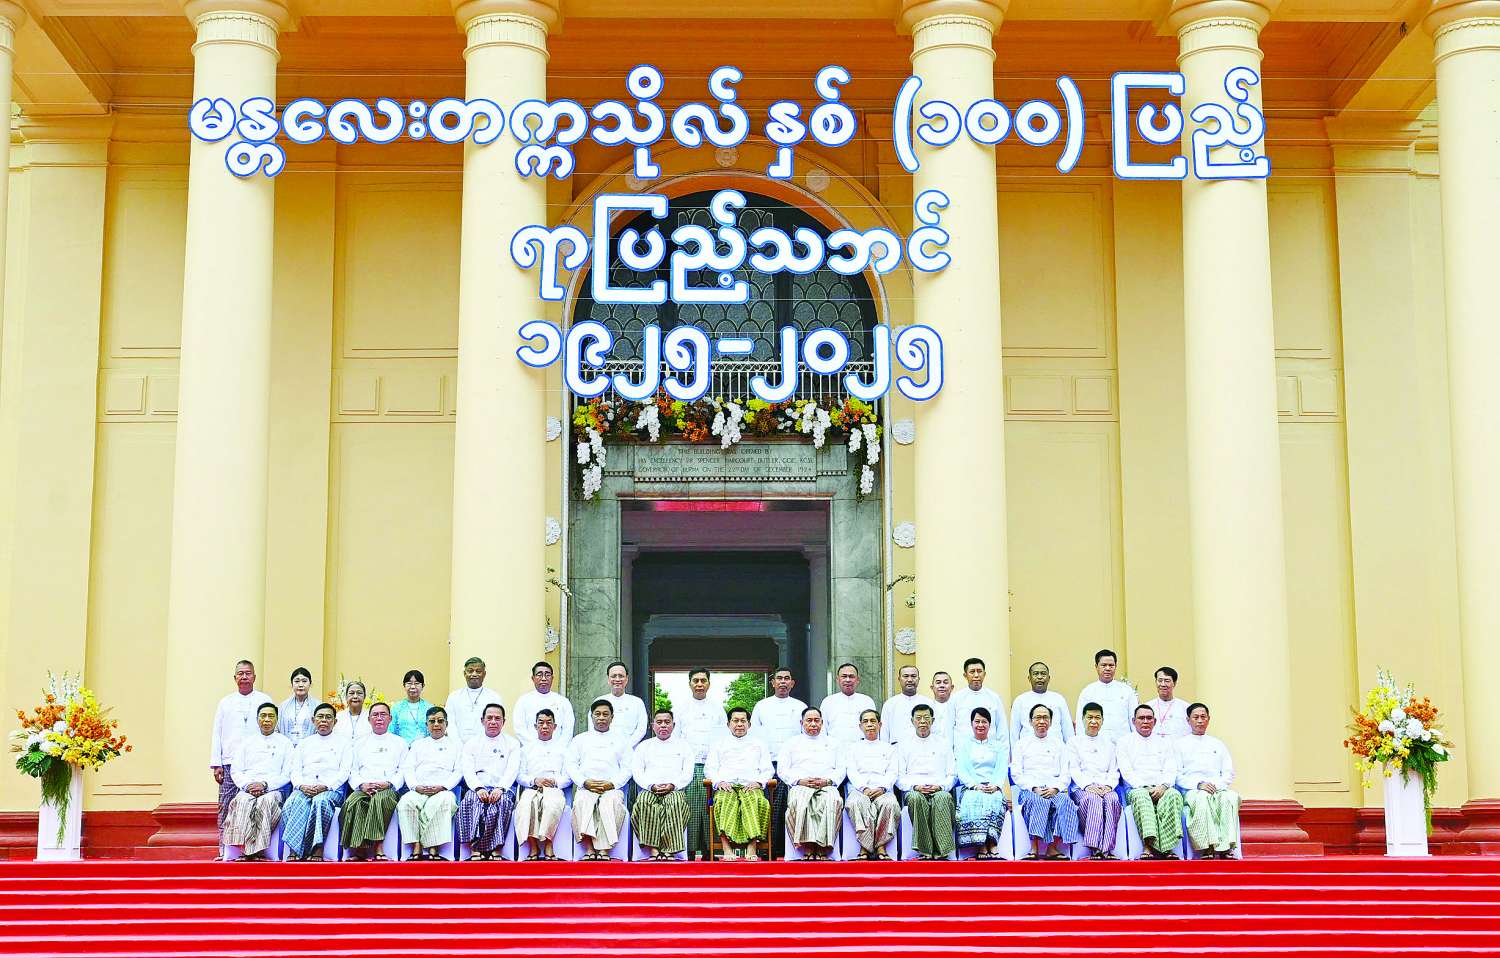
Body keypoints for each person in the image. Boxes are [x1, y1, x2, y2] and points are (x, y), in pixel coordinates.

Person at [210, 660, 273, 849]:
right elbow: (217, 733)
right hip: (229, 762)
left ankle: (250, 848)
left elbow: (271, 730)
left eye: (248, 673)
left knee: (253, 804)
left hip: (256, 763)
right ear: (235, 677)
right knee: (226, 805)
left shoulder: (264, 700)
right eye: (240, 674)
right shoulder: (225, 702)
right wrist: (217, 763)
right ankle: (224, 848)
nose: (244, 677)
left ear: (254, 676)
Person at [222, 702, 292, 861]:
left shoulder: (285, 743)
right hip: (248, 788)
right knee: (241, 801)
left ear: (277, 720)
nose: (267, 720)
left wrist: (265, 785)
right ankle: (244, 849)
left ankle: (257, 851)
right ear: (257, 719)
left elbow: (287, 773)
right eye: (263, 716)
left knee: (265, 803)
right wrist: (248, 785)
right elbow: (236, 770)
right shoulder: (246, 742)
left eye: (271, 716)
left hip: (273, 789)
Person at [750, 667, 807, 858]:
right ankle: (768, 850)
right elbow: (754, 737)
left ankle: (791, 848)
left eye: (787, 678)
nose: (783, 681)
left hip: (793, 765)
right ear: (772, 683)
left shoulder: (800, 706)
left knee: (790, 806)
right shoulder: (761, 706)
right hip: (769, 763)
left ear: (792, 683)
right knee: (769, 806)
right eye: (779, 678)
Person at [282, 703, 350, 861]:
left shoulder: (344, 743)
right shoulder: (304, 743)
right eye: (320, 717)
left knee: (321, 802)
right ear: (313, 720)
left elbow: (345, 771)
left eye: (328, 717)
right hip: (305, 787)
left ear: (335, 721)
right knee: (293, 802)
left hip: (331, 790)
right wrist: (301, 786)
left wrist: (326, 786)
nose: (324, 720)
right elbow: (295, 770)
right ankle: (295, 849)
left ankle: (317, 848)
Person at [1010, 704, 1080, 860]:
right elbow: (1016, 773)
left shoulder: (1059, 744)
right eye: (1037, 718)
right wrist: (1033, 788)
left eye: (1045, 717)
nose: (1041, 721)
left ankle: (1052, 848)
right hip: (1030, 790)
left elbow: (1066, 773)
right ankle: (1033, 847)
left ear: (1051, 721)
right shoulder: (1021, 744)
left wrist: (1056, 788)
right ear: (1030, 721)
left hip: (1053, 789)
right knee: (1040, 801)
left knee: (1066, 803)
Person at [566, 699, 633, 860]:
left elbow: (628, 767)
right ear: (591, 716)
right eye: (597, 714)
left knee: (611, 803)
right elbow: (571, 765)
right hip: (586, 786)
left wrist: (612, 783)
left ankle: (603, 849)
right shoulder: (579, 740)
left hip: (611, 788)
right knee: (582, 802)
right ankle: (589, 848)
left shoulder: (622, 740)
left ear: (612, 717)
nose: (601, 718)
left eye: (605, 714)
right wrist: (585, 782)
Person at [705, 706, 774, 861]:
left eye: (743, 721)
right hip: (727, 786)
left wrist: (758, 782)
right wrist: (719, 782)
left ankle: (752, 846)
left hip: (750, 786)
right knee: (722, 801)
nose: (739, 724)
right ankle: (726, 848)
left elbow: (768, 769)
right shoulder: (719, 744)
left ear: (749, 724)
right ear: (728, 724)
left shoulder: (759, 744)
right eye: (735, 721)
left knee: (757, 801)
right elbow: (709, 768)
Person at [341, 702, 407, 861]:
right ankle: (358, 849)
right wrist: (361, 785)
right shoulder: (358, 743)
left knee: (380, 800)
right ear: (369, 719)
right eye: (375, 715)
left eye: (383, 715)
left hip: (388, 788)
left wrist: (389, 783)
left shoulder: (400, 742)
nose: (379, 718)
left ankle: (378, 847)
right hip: (364, 787)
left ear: (390, 719)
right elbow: (352, 770)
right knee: (352, 802)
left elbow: (404, 769)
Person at [1117, 703, 1183, 859]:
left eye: (1149, 718)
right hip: (1136, 788)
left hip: (1162, 788)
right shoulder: (1124, 742)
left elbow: (1171, 768)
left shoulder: (1164, 742)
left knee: (1174, 795)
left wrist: (1164, 786)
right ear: (1133, 721)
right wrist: (1143, 787)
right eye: (1141, 718)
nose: (1145, 721)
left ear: (1154, 721)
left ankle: (1167, 848)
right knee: (1142, 797)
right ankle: (1148, 846)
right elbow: (1126, 771)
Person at [778, 707, 845, 860]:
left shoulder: (834, 743)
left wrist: (828, 781)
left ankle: (823, 846)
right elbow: (782, 769)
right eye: (809, 720)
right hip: (801, 784)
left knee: (834, 800)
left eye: (817, 720)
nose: (813, 724)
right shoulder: (791, 743)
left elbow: (841, 768)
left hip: (827, 785)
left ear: (822, 722)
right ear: (801, 723)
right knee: (798, 802)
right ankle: (808, 846)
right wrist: (799, 780)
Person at [397, 706, 462, 860]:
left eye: (440, 721)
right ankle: (416, 845)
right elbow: (408, 768)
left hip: (443, 790)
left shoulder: (456, 745)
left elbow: (459, 770)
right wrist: (415, 786)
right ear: (426, 725)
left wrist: (443, 786)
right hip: (420, 789)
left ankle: (433, 846)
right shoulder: (418, 744)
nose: (436, 724)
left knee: (444, 801)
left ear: (446, 724)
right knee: (405, 802)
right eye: (432, 721)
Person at [1177, 703, 1240, 858]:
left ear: (1208, 719)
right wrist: (1199, 785)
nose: (1200, 721)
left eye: (1203, 717)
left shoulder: (1218, 744)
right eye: (1195, 717)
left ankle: (1226, 847)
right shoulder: (1179, 745)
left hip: (1217, 788)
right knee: (1202, 799)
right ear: (1188, 720)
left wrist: (1216, 786)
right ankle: (1208, 847)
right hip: (1193, 789)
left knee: (1230, 798)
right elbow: (1177, 775)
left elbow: (1228, 772)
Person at [458, 702, 520, 861]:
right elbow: (467, 770)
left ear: (503, 722)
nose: (493, 722)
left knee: (502, 802)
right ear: (482, 720)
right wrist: (478, 788)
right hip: (478, 787)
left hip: (502, 788)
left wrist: (500, 788)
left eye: (497, 718)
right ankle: (475, 847)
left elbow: (512, 770)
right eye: (489, 718)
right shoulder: (471, 743)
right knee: (471, 800)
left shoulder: (512, 744)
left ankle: (495, 848)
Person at [631, 709, 695, 860]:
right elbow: (637, 772)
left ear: (673, 725)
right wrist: (650, 786)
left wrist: (673, 785)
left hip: (674, 790)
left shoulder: (684, 746)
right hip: (650, 789)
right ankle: (653, 850)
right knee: (644, 801)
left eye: (667, 722)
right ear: (652, 725)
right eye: (659, 722)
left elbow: (688, 773)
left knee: (676, 802)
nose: (663, 725)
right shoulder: (644, 746)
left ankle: (669, 850)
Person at [896, 703, 956, 860]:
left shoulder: (943, 743)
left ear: (933, 720)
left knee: (943, 798)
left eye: (926, 718)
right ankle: (925, 850)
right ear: (912, 721)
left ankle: (942, 851)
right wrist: (915, 786)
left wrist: (940, 786)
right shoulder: (903, 745)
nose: (922, 721)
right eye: (918, 718)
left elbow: (952, 774)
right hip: (915, 789)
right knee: (916, 798)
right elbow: (899, 777)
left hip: (939, 788)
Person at [674, 667, 722, 860]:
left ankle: (712, 851)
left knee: (710, 809)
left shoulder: (717, 709)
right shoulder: (680, 708)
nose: (700, 684)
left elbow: (722, 738)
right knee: (692, 809)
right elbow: (676, 739)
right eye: (696, 681)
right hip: (689, 766)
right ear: (690, 684)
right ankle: (690, 851)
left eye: (703, 680)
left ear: (709, 684)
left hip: (712, 767)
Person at [1068, 702, 1123, 859]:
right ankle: (1095, 848)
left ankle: (1107, 850)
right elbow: (1074, 769)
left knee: (1113, 799)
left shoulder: (1110, 744)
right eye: (1090, 717)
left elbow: (1114, 770)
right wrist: (1087, 786)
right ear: (1083, 719)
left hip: (1105, 787)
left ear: (1102, 721)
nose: (1093, 721)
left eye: (1097, 718)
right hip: (1082, 789)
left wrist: (1108, 786)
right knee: (1093, 800)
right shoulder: (1074, 742)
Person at [515, 709, 571, 861]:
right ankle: (533, 846)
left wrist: (555, 782)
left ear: (555, 726)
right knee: (526, 806)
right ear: (535, 726)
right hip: (532, 787)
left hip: (554, 788)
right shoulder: (525, 750)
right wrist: (534, 780)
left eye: (548, 723)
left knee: (551, 805)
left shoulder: (564, 750)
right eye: (541, 723)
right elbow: (519, 775)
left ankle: (548, 843)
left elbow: (568, 776)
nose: (545, 726)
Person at [955, 706, 1010, 859]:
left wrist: (995, 785)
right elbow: (962, 770)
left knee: (995, 799)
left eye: (984, 721)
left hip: (993, 787)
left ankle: (992, 843)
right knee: (974, 799)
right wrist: (975, 785)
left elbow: (1002, 768)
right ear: (971, 724)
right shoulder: (964, 746)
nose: (980, 725)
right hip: (971, 788)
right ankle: (981, 845)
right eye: (977, 721)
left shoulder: (998, 746)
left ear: (989, 724)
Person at [845, 709, 900, 859]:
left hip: (883, 790)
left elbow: (893, 772)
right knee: (856, 803)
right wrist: (864, 788)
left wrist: (882, 788)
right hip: (860, 789)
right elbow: (851, 771)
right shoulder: (853, 748)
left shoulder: (889, 749)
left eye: (873, 721)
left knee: (890, 804)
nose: (869, 724)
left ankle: (881, 846)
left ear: (880, 725)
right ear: (860, 726)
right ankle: (865, 846)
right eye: (865, 721)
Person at [1075, 649, 1138, 742]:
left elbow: (1134, 719)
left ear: (1115, 666)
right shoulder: (1088, 691)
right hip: (1096, 743)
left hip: (1123, 742)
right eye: (1104, 665)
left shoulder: (1127, 691)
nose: (1108, 668)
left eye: (1111, 665)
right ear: (1096, 666)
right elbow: (1081, 721)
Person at [1010, 661, 1074, 745]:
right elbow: (1014, 732)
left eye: (1043, 674)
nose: (1039, 677)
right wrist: (1015, 752)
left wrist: (1071, 749)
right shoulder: (1020, 700)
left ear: (1049, 678)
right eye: (1035, 674)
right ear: (1029, 678)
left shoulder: (1058, 699)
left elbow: (1068, 729)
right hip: (1028, 749)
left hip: (1055, 749)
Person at [444, 657, 505, 743]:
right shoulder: (454, 696)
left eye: (478, 671)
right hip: (457, 745)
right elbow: (450, 723)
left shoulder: (494, 697)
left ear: (484, 674)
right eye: (470, 671)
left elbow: (497, 723)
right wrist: (457, 744)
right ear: (464, 673)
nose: (474, 674)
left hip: (486, 744)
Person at [514, 661, 575, 745]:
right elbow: (520, 729)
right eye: (539, 674)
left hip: (557, 749)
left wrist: (558, 747)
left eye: (547, 675)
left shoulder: (563, 702)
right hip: (530, 750)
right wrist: (534, 747)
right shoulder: (523, 701)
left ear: (552, 678)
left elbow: (568, 730)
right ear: (533, 678)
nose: (543, 678)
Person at [950, 658, 1006, 746]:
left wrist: (1003, 751)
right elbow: (949, 728)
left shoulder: (994, 698)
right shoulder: (955, 698)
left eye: (979, 671)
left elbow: (1002, 728)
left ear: (984, 674)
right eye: (972, 672)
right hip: (963, 751)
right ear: (965, 675)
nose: (976, 675)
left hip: (989, 750)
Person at [818, 663, 876, 744]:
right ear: (837, 679)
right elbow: (822, 730)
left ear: (857, 680)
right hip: (834, 748)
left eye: (851, 676)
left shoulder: (867, 701)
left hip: (862, 747)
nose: (848, 680)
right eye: (844, 676)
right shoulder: (828, 702)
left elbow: (874, 728)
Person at [881, 665, 937, 745]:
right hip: (896, 749)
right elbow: (884, 732)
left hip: (923, 748)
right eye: (906, 676)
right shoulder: (890, 704)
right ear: (899, 679)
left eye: (913, 676)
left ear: (918, 679)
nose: (910, 680)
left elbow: (934, 730)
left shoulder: (929, 703)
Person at [599, 661, 648, 747]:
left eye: (621, 676)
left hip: (630, 750)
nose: (617, 679)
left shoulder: (637, 702)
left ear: (626, 679)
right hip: (604, 748)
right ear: (608, 679)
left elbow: (641, 729)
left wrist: (626, 746)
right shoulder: (599, 701)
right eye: (614, 676)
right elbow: (593, 728)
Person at [1147, 666, 1190, 740]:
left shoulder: (1185, 707)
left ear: (1174, 683)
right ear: (1156, 682)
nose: (1163, 684)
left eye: (1167, 681)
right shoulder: (1148, 707)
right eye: (1160, 680)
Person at [391, 670, 434, 743]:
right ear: (404, 685)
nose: (413, 687)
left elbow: (433, 730)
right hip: (402, 747)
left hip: (424, 747)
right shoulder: (396, 708)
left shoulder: (429, 708)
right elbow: (391, 731)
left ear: (423, 686)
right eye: (409, 683)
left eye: (417, 683)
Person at [278, 667, 317, 744]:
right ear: (292, 684)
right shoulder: (283, 706)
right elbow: (278, 729)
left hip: (310, 746)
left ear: (310, 683)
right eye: (297, 681)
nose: (300, 685)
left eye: (304, 681)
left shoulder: (317, 705)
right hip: (287, 746)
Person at [929, 671, 956, 744]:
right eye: (938, 682)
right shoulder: (927, 708)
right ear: (932, 687)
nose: (942, 685)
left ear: (952, 687)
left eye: (945, 682)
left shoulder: (958, 708)